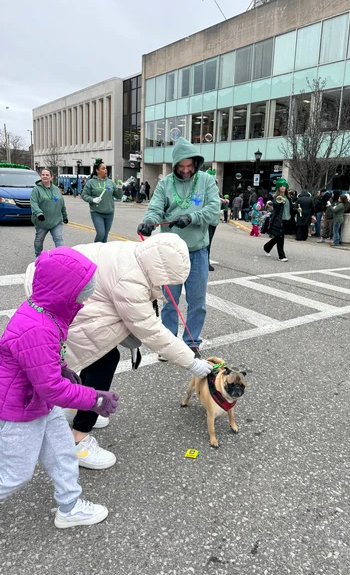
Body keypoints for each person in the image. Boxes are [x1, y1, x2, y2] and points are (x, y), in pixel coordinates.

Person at [24, 234, 213, 470]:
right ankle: (77, 439)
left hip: (49, 282)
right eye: (167, 278)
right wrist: (192, 362)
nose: (167, 284)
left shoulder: (136, 253)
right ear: (160, 267)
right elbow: (151, 331)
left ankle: (80, 406)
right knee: (104, 357)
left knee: (102, 356)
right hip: (59, 297)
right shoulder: (130, 279)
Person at [1, 247, 120, 528]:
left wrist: (60, 366)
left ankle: (69, 507)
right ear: (65, 291)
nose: (88, 297)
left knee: (63, 451)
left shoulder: (45, 311)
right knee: (16, 474)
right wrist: (94, 398)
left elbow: (42, 366)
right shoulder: (38, 327)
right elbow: (52, 388)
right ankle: (69, 506)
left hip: (36, 403)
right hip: (20, 410)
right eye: (83, 291)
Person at [137, 137, 220, 359]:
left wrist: (192, 217)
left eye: (189, 166)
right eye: (181, 167)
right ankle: (170, 344)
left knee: (197, 301)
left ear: (196, 163)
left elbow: (214, 211)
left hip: (197, 252)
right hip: (170, 253)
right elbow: (155, 208)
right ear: (175, 165)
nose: (185, 171)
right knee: (169, 302)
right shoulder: (165, 184)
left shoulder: (206, 181)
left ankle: (192, 342)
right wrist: (148, 221)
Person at [81, 160, 122, 243]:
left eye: (106, 168)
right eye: (103, 168)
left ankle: (101, 253)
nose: (105, 170)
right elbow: (84, 195)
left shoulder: (110, 182)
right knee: (101, 233)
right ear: (97, 170)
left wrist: (120, 188)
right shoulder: (91, 183)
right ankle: (94, 250)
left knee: (105, 236)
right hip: (96, 212)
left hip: (109, 213)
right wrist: (92, 199)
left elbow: (118, 196)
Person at [30, 169, 68, 258]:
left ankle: (62, 257)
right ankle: (38, 256)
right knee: (39, 240)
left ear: (51, 177)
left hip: (56, 221)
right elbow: (33, 203)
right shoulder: (36, 190)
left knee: (59, 239)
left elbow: (61, 203)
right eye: (43, 175)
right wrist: (39, 213)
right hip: (42, 221)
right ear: (41, 177)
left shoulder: (56, 190)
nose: (45, 176)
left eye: (47, 175)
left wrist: (65, 216)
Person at [263, 178, 290, 262]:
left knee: (278, 237)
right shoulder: (276, 197)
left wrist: (297, 210)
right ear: (278, 187)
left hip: (287, 219)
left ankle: (267, 247)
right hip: (279, 219)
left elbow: (290, 208)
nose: (282, 187)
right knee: (280, 237)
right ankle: (281, 256)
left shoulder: (288, 197)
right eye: (281, 186)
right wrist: (280, 202)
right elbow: (275, 204)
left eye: (284, 186)